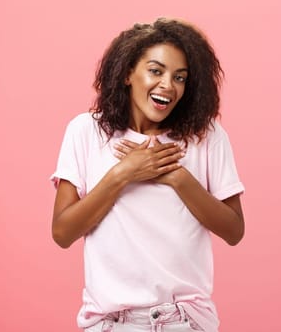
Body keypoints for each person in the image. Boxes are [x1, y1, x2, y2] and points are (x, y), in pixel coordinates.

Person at [49, 18, 245, 332]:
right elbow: (63, 232)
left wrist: (177, 177)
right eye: (156, 71)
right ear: (128, 73)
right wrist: (123, 173)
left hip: (185, 321)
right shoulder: (86, 131)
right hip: (110, 323)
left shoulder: (205, 136)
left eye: (180, 77)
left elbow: (234, 230)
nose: (168, 85)